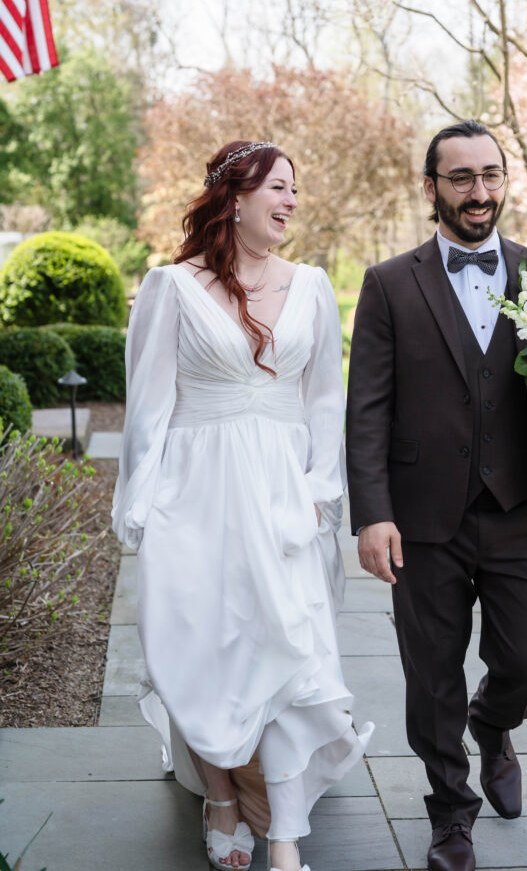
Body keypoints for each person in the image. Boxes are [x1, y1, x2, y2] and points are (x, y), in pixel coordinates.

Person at [345, 121, 527, 871]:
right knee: (430, 678)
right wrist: (373, 514)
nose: (478, 192)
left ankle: (492, 726)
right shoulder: (389, 283)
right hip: (421, 519)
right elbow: (366, 408)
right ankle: (450, 817)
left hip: (519, 507)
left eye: (489, 175)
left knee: (526, 659)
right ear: (430, 187)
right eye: (460, 178)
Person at [113, 140, 372, 871]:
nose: (291, 201)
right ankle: (221, 795)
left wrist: (325, 489)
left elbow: (325, 398)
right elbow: (149, 408)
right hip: (194, 496)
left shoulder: (314, 284)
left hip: (287, 496)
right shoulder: (170, 287)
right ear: (234, 197)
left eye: (295, 189)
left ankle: (285, 834)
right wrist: (139, 501)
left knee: (293, 651)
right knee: (205, 650)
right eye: (278, 188)